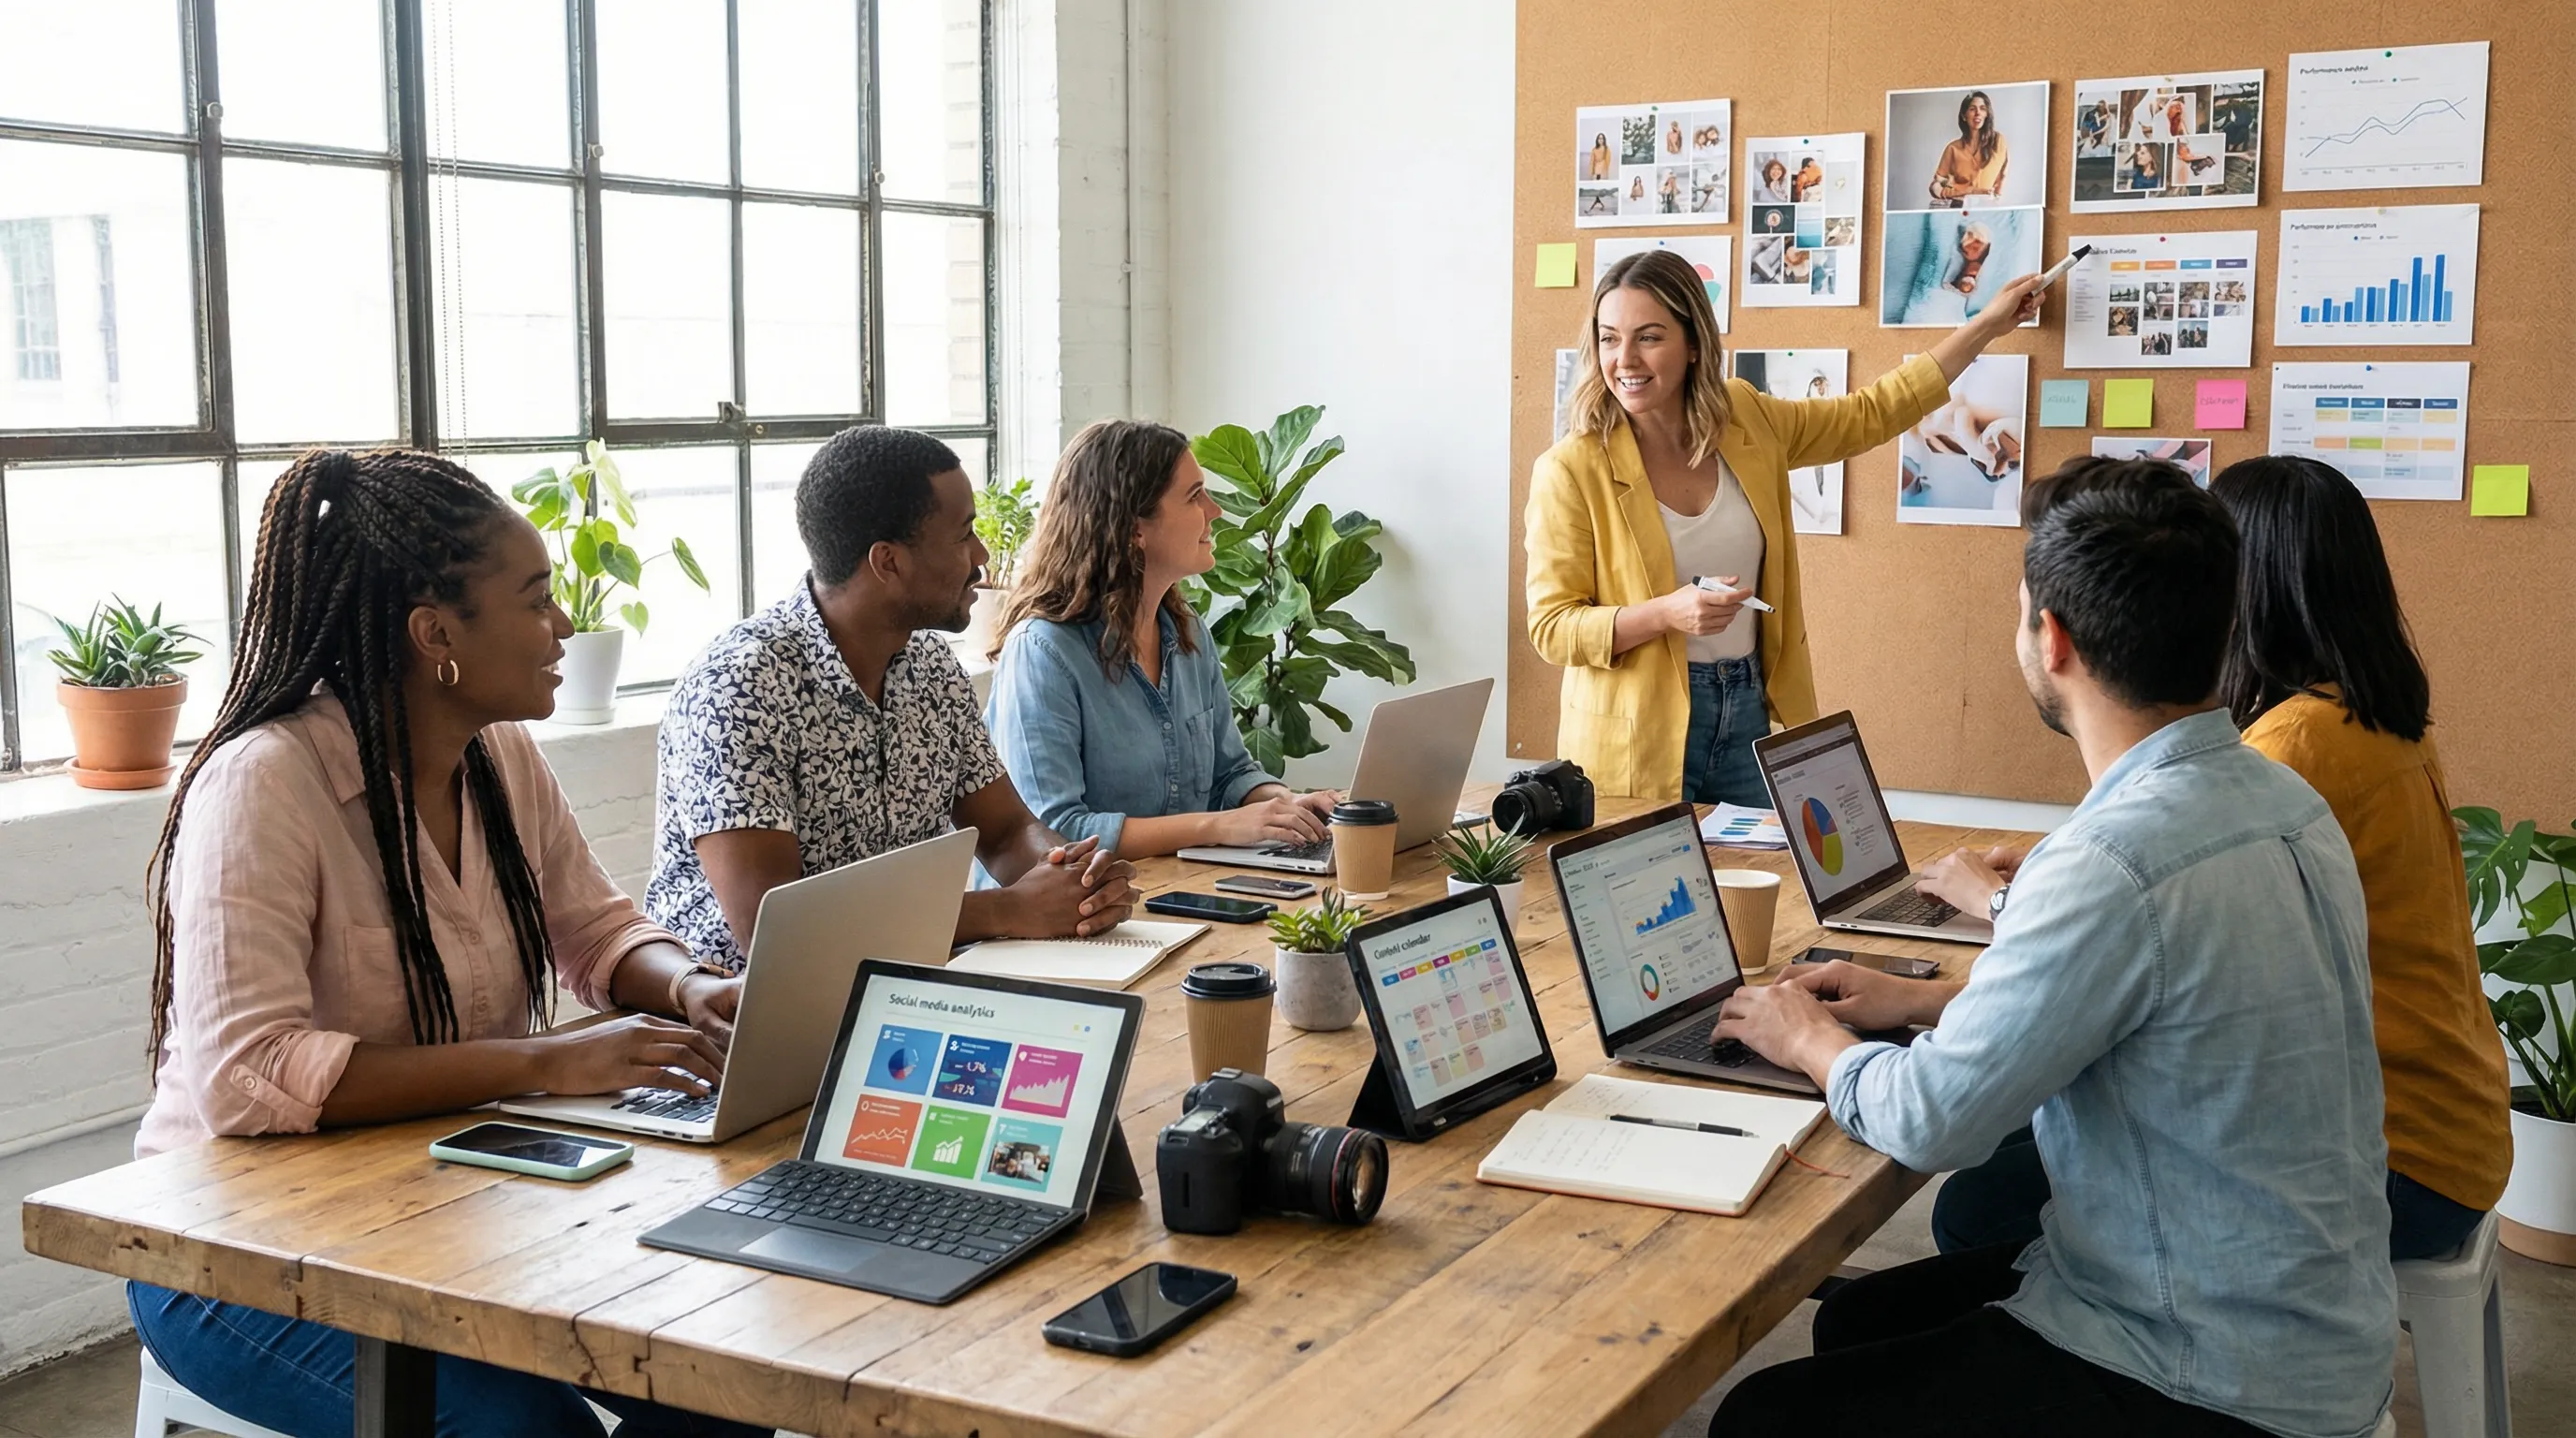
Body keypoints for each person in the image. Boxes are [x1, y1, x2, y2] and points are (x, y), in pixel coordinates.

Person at [1709, 457, 2396, 1437]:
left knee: (1762, 1417)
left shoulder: (2108, 862)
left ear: (2054, 641)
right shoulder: (2286, 800)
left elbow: (1933, 1122)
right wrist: (1913, 1004)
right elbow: (2156, 1004)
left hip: (2200, 1370)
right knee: (1863, 1316)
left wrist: (1805, 1036)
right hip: (2308, 1324)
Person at [129, 449, 760, 1438]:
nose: (562, 629)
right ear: (436, 636)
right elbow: (248, 1074)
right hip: (229, 1255)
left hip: (453, 1198)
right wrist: (547, 1064)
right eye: (537, 602)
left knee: (730, 1361)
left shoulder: (498, 753)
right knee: (524, 1432)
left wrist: (686, 987)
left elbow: (593, 928)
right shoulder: (265, 782)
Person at [1921, 453, 2514, 1264]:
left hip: (2388, 1153)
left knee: (1983, 1198)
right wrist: (2058, 864)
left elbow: (2143, 928)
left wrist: (1998, 902)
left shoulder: (2293, 744)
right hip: (2448, 1125)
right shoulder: (2371, 716)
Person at [1524, 248, 2042, 802]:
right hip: (1637, 731)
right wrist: (1666, 613)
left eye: (1648, 337)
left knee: (1767, 883)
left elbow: (1870, 413)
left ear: (1694, 343)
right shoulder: (1571, 468)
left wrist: (1985, 325)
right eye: (1608, 338)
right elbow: (1552, 629)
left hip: (1750, 710)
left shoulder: (1746, 416)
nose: (1624, 358)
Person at [649, 425, 1139, 972]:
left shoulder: (930, 662)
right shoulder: (740, 686)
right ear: (888, 563)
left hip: (907, 988)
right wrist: (1008, 909)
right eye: (963, 536)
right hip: (744, 1016)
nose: (981, 556)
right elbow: (775, 926)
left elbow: (1005, 832)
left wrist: (1075, 877)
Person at [984, 418, 1339, 857]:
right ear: (1134, 529)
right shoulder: (1041, 652)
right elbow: (1055, 830)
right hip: (1068, 916)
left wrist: (1285, 806)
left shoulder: (1187, 631)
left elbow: (1229, 775)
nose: (1215, 511)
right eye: (1194, 496)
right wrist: (1219, 826)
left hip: (1171, 890)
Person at [1927, 89, 2010, 206]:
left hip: (1986, 205)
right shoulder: (1953, 148)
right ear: (1964, 116)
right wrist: (1967, 191)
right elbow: (1936, 185)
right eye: (1972, 109)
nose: (1978, 113)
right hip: (1959, 205)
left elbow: (2002, 175)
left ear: (1987, 114)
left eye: (1982, 108)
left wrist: (1995, 198)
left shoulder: (1998, 141)